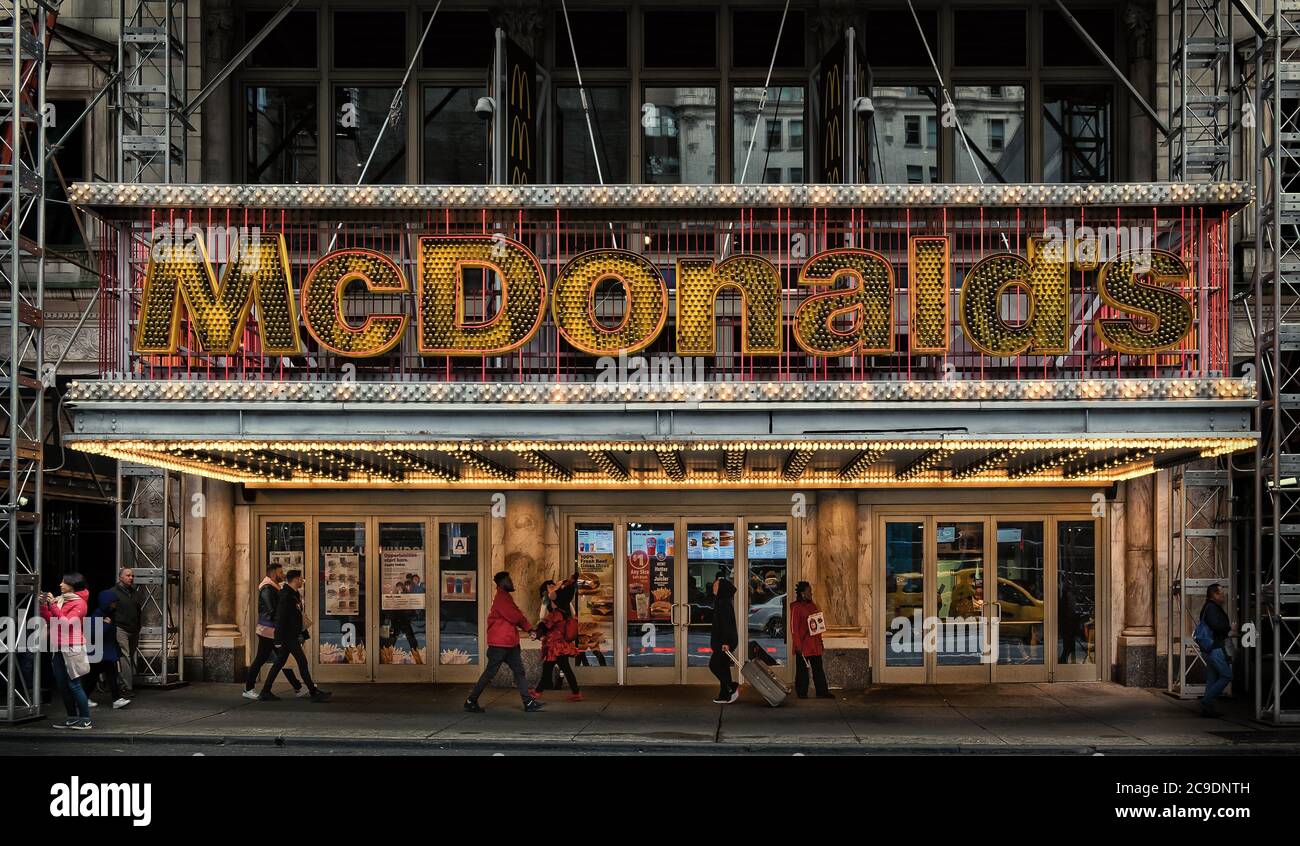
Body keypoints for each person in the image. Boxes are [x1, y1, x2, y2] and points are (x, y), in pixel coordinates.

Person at [464, 571, 543, 713]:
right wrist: (530, 629)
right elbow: (515, 616)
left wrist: (530, 629)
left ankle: (528, 702)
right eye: (508, 580)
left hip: (509, 643)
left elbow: (517, 616)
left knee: (519, 671)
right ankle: (471, 700)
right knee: (490, 673)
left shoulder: (505, 597)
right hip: (500, 644)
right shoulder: (501, 598)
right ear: (501, 583)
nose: (511, 582)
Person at [258, 570, 331, 702]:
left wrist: (302, 633)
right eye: (301, 578)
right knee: (302, 662)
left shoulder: (293, 594)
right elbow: (280, 618)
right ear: (295, 580)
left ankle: (265, 691)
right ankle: (313, 693)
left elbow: (297, 616)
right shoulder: (285, 596)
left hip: (290, 635)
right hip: (287, 636)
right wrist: (278, 639)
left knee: (279, 663)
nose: (302, 580)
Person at [243, 563, 305, 700]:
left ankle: (298, 687)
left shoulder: (273, 587)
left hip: (271, 630)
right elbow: (273, 611)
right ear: (273, 574)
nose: (283, 574)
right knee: (263, 659)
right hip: (267, 630)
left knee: (282, 659)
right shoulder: (267, 588)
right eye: (280, 572)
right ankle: (248, 688)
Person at [39, 572, 93, 730]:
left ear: (73, 585)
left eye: (64, 582)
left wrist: (53, 606)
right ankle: (72, 717)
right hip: (58, 646)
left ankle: (85, 718)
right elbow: (51, 619)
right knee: (62, 685)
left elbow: (67, 624)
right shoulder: (61, 600)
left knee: (74, 684)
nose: (60, 585)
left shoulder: (80, 604)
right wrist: (43, 605)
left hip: (72, 647)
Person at [532, 578, 582, 701]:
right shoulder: (562, 613)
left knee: (549, 668)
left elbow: (544, 624)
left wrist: (536, 633)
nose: (549, 602)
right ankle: (575, 692)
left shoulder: (556, 614)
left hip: (555, 646)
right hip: (559, 645)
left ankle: (538, 691)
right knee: (562, 668)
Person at [83, 587, 131, 710]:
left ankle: (87, 698)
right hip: (100, 652)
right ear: (108, 603)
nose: (115, 604)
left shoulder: (106, 614)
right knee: (98, 676)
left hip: (103, 653)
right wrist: (106, 625)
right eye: (113, 602)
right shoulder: (98, 616)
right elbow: (93, 634)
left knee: (99, 676)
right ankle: (115, 699)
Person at [789, 581, 832, 699]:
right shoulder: (796, 608)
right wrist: (797, 645)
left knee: (818, 668)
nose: (811, 593)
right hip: (803, 645)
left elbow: (817, 625)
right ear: (803, 594)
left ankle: (822, 691)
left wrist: (820, 642)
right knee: (802, 671)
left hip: (814, 644)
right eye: (809, 591)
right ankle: (802, 692)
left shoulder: (812, 605)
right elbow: (794, 628)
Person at [1200, 582, 1234, 717]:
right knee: (1226, 675)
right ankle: (1206, 701)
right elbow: (1217, 626)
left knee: (1212, 678)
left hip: (1209, 647)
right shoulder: (1212, 608)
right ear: (1214, 594)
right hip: (1215, 647)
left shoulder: (1208, 607)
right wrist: (1230, 629)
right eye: (1221, 593)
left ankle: (1208, 709)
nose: (1224, 595)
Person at [709, 575, 739, 704]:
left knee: (714, 665)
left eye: (716, 585)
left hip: (724, 642)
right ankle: (724, 694)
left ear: (721, 588)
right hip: (723, 641)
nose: (713, 587)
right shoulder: (723, 601)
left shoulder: (723, 603)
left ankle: (731, 686)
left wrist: (725, 642)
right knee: (723, 666)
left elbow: (726, 624)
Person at [111, 568, 142, 694]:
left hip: (133, 629)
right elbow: (109, 610)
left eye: (132, 576)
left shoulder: (134, 592)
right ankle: (126, 687)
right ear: (120, 577)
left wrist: (139, 626)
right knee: (125, 656)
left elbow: (138, 610)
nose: (131, 578)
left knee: (128, 656)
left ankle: (113, 681)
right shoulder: (113, 592)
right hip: (121, 628)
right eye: (128, 575)